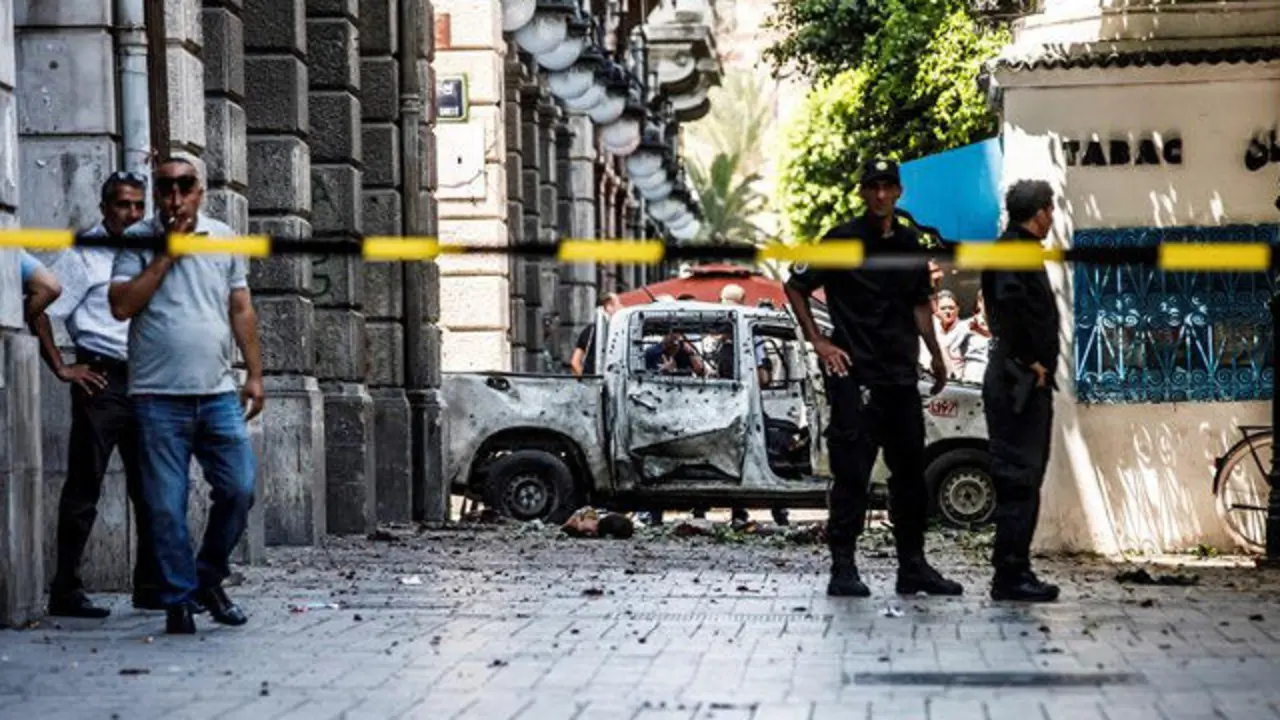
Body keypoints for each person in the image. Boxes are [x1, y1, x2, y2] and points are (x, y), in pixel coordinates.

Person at [784, 158, 963, 598]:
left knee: (909, 475)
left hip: (900, 374)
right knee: (852, 474)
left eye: (888, 187)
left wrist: (937, 355)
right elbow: (796, 287)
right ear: (862, 192)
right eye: (873, 187)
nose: (881, 195)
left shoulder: (908, 242)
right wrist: (819, 342)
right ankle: (843, 568)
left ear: (899, 192)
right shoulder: (842, 239)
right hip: (855, 375)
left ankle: (913, 567)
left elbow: (921, 302)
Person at [109, 157, 264, 634]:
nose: (175, 198)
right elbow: (121, 305)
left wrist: (255, 374)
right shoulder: (137, 241)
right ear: (158, 194)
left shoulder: (224, 239)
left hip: (217, 392)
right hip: (157, 396)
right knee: (164, 505)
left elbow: (240, 307)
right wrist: (166, 256)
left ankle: (207, 578)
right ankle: (179, 600)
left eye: (185, 187)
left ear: (201, 191)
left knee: (239, 489)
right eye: (166, 189)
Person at [38, 171, 162, 618]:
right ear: (105, 207)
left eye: (137, 206)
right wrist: (61, 367)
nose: (131, 214)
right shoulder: (84, 253)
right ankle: (65, 590)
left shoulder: (149, 246)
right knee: (84, 488)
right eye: (122, 205)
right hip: (101, 381)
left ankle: (150, 587)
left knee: (152, 490)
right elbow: (40, 307)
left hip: (146, 381)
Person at [981, 179, 1062, 603]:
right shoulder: (1013, 252)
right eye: (1050, 209)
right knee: (1019, 477)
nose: (1053, 217)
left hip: (1023, 379)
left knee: (1025, 477)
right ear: (1041, 212)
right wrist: (1031, 360)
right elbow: (1009, 309)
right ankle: (1010, 575)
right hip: (1018, 382)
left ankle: (1016, 568)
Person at [570, 292, 622, 377]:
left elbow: (574, 362)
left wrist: (586, 382)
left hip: (592, 383)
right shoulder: (619, 331)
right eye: (618, 303)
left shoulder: (589, 331)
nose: (621, 307)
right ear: (608, 307)